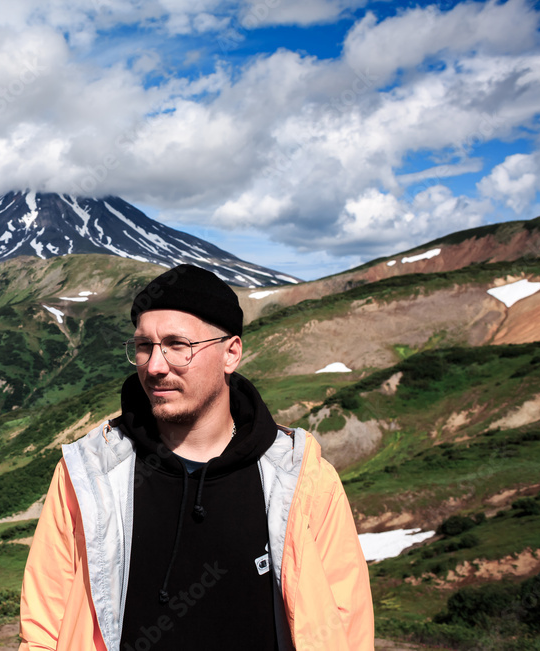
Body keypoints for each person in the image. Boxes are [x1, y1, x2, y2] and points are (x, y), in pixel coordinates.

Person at [19, 264, 373, 651]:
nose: (155, 366)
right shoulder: (88, 474)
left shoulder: (304, 479)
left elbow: (346, 624)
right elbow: (43, 627)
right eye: (144, 346)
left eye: (177, 345)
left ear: (231, 353)